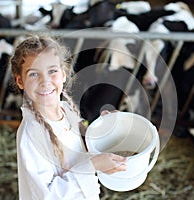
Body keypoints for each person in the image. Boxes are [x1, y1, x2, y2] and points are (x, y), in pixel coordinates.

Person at [10, 34, 127, 200]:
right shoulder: (32, 133)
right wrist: (92, 166)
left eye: (52, 71)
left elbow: (79, 151)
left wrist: (104, 127)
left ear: (64, 74)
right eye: (34, 74)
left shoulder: (67, 111)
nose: (45, 81)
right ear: (20, 81)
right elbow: (46, 195)